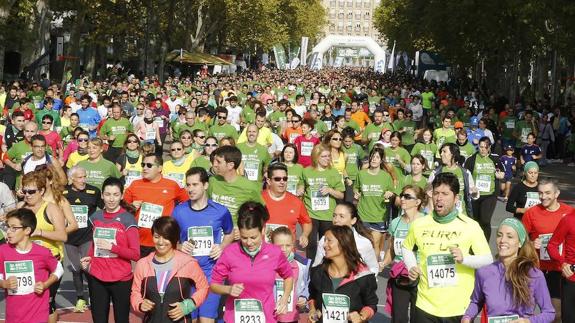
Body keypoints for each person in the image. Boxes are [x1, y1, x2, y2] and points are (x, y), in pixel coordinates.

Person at [402, 172, 492, 322]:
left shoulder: (470, 226)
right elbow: (406, 247)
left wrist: (465, 259)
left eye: (445, 193)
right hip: (425, 304)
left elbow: (488, 259)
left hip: (458, 307)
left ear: (456, 198)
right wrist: (411, 266)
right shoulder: (419, 224)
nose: (439, 198)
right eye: (436, 193)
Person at [210, 201, 294, 323]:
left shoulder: (275, 252)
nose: (249, 242)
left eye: (253, 237)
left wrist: (284, 299)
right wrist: (228, 289)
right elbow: (213, 285)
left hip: (266, 318)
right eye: (244, 238)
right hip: (235, 318)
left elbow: (288, 276)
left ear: (263, 231)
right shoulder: (229, 252)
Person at [462, 218, 555, 322]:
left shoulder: (533, 274)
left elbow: (549, 313)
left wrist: (528, 321)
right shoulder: (484, 272)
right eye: (499, 235)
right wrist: (467, 317)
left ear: (520, 242)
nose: (502, 240)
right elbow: (476, 301)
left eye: (509, 236)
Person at [172, 167, 234, 323]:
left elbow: (230, 232)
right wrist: (179, 246)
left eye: (195, 184)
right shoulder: (178, 211)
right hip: (187, 274)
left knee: (206, 319)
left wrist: (221, 247)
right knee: (190, 319)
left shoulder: (220, 211)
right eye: (188, 185)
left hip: (211, 273)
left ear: (205, 185)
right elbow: (169, 240)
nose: (190, 189)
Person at [80, 177, 140, 323]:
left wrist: (113, 248)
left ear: (121, 195)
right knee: (99, 319)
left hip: (121, 278)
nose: (111, 199)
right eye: (107, 194)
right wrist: (89, 258)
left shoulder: (128, 219)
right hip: (98, 277)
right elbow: (94, 245)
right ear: (102, 195)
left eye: (115, 194)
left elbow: (135, 254)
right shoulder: (95, 217)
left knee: (121, 319)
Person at [131, 216, 210, 323]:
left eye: (166, 237)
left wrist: (188, 306)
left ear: (174, 238)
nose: (160, 242)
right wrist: (140, 304)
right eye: (156, 236)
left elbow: (204, 287)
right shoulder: (143, 264)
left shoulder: (189, 263)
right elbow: (135, 292)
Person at [522, 177, 575, 323]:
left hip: (558, 269)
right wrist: (531, 244)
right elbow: (519, 240)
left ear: (556, 193)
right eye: (540, 193)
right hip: (536, 268)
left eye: (547, 193)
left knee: (556, 313)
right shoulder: (531, 213)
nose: (543, 197)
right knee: (526, 311)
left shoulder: (569, 212)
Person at [19, 171, 67, 323]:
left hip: (49, 262)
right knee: (27, 303)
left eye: (31, 191)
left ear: (41, 191)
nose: (27, 195)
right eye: (25, 191)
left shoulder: (51, 208)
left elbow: (63, 236)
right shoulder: (21, 208)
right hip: (26, 262)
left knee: (47, 303)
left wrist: (39, 232)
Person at [0, 208, 64, 323]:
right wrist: (4, 283)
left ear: (27, 230)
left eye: (14, 228)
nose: (8, 231)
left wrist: (45, 284)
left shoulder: (42, 252)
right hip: (13, 315)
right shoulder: (3, 251)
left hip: (37, 313)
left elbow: (58, 268)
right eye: (7, 227)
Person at [307, 225, 378, 323]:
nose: (324, 245)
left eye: (329, 241)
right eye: (324, 241)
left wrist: (361, 317)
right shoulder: (318, 272)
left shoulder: (363, 276)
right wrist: (312, 311)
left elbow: (371, 304)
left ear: (343, 243)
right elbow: (313, 297)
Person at [123, 154, 189, 257]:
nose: (144, 168)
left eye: (149, 165)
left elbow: (187, 203)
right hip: (139, 241)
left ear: (159, 168)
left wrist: (175, 219)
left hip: (164, 241)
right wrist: (131, 206)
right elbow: (122, 209)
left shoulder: (172, 185)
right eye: (143, 164)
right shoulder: (135, 184)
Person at [383, 185, 425, 323]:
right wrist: (383, 263)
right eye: (402, 195)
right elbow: (391, 250)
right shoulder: (395, 223)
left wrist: (420, 267)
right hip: (400, 274)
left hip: (420, 275)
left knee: (417, 317)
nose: (402, 199)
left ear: (417, 202)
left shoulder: (426, 222)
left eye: (407, 197)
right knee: (398, 317)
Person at [63, 165, 103, 313]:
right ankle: (80, 298)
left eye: (84, 176)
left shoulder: (94, 191)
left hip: (87, 236)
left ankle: (94, 295)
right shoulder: (63, 192)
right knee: (76, 269)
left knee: (88, 268)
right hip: (70, 238)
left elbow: (104, 208)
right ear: (71, 178)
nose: (83, 180)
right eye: (80, 177)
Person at [300, 144, 345, 260]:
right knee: (311, 245)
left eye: (328, 156)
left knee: (327, 245)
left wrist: (330, 190)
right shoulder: (306, 171)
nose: (327, 159)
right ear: (316, 157)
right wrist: (299, 189)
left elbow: (341, 194)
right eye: (324, 156)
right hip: (311, 213)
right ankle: (310, 272)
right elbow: (301, 188)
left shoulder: (333, 172)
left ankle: (325, 270)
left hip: (327, 214)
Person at [312, 201, 379, 275]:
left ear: (353, 220)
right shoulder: (325, 240)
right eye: (334, 215)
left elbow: (373, 269)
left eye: (341, 216)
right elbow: (316, 266)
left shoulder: (363, 243)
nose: (336, 220)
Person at [354, 147, 397, 259]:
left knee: (375, 245)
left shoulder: (386, 176)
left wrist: (389, 193)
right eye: (372, 156)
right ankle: (361, 270)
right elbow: (356, 188)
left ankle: (373, 271)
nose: (374, 159)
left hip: (379, 216)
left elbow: (391, 191)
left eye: (377, 157)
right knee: (362, 245)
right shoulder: (361, 174)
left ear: (381, 160)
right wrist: (356, 193)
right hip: (363, 214)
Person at [207, 145, 264, 225]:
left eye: (218, 162)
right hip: (215, 231)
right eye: (214, 161)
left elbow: (263, 213)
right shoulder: (212, 181)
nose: (215, 164)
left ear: (231, 165)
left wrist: (244, 228)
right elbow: (205, 206)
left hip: (237, 235)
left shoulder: (250, 187)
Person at [463, 136, 506, 240]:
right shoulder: (471, 159)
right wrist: (470, 188)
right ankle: (476, 242)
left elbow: (503, 173)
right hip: (475, 195)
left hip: (490, 195)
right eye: (480, 147)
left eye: (485, 147)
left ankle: (485, 243)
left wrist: (501, 176)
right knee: (476, 220)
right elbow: (465, 174)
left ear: (489, 147)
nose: (482, 149)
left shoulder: (495, 159)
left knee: (485, 220)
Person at [262, 163, 312, 247]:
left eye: (285, 179)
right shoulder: (259, 199)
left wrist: (304, 235)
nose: (282, 182)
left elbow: (307, 222)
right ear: (269, 181)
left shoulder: (296, 201)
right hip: (264, 252)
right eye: (277, 179)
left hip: (287, 254)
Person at [270, 227, 311, 323]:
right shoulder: (266, 264)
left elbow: (307, 285)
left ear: (292, 245)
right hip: (270, 315)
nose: (283, 249)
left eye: (288, 245)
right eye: (279, 246)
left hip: (291, 316)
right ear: (272, 245)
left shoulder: (301, 265)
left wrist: (303, 297)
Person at [429, 143, 478, 217]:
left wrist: (475, 192)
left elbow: (472, 194)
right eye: (441, 152)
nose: (441, 154)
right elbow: (429, 193)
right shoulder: (435, 173)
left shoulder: (465, 173)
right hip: (442, 216)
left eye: (444, 151)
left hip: (461, 215)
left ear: (453, 154)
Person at [548, 208, 575, 323]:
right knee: (569, 319)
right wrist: (562, 263)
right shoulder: (569, 219)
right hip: (572, 277)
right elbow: (552, 245)